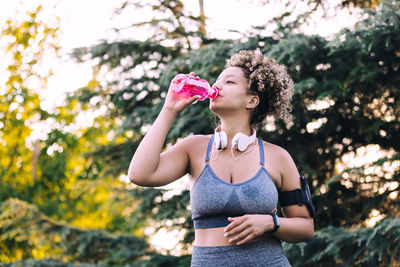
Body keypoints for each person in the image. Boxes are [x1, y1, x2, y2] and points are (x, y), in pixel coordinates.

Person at [128, 48, 314, 266]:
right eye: (217, 81)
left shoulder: (278, 157)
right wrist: (169, 109)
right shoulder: (193, 148)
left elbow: (306, 228)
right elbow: (139, 174)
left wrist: (269, 222)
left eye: (230, 82)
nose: (216, 86)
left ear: (252, 101)